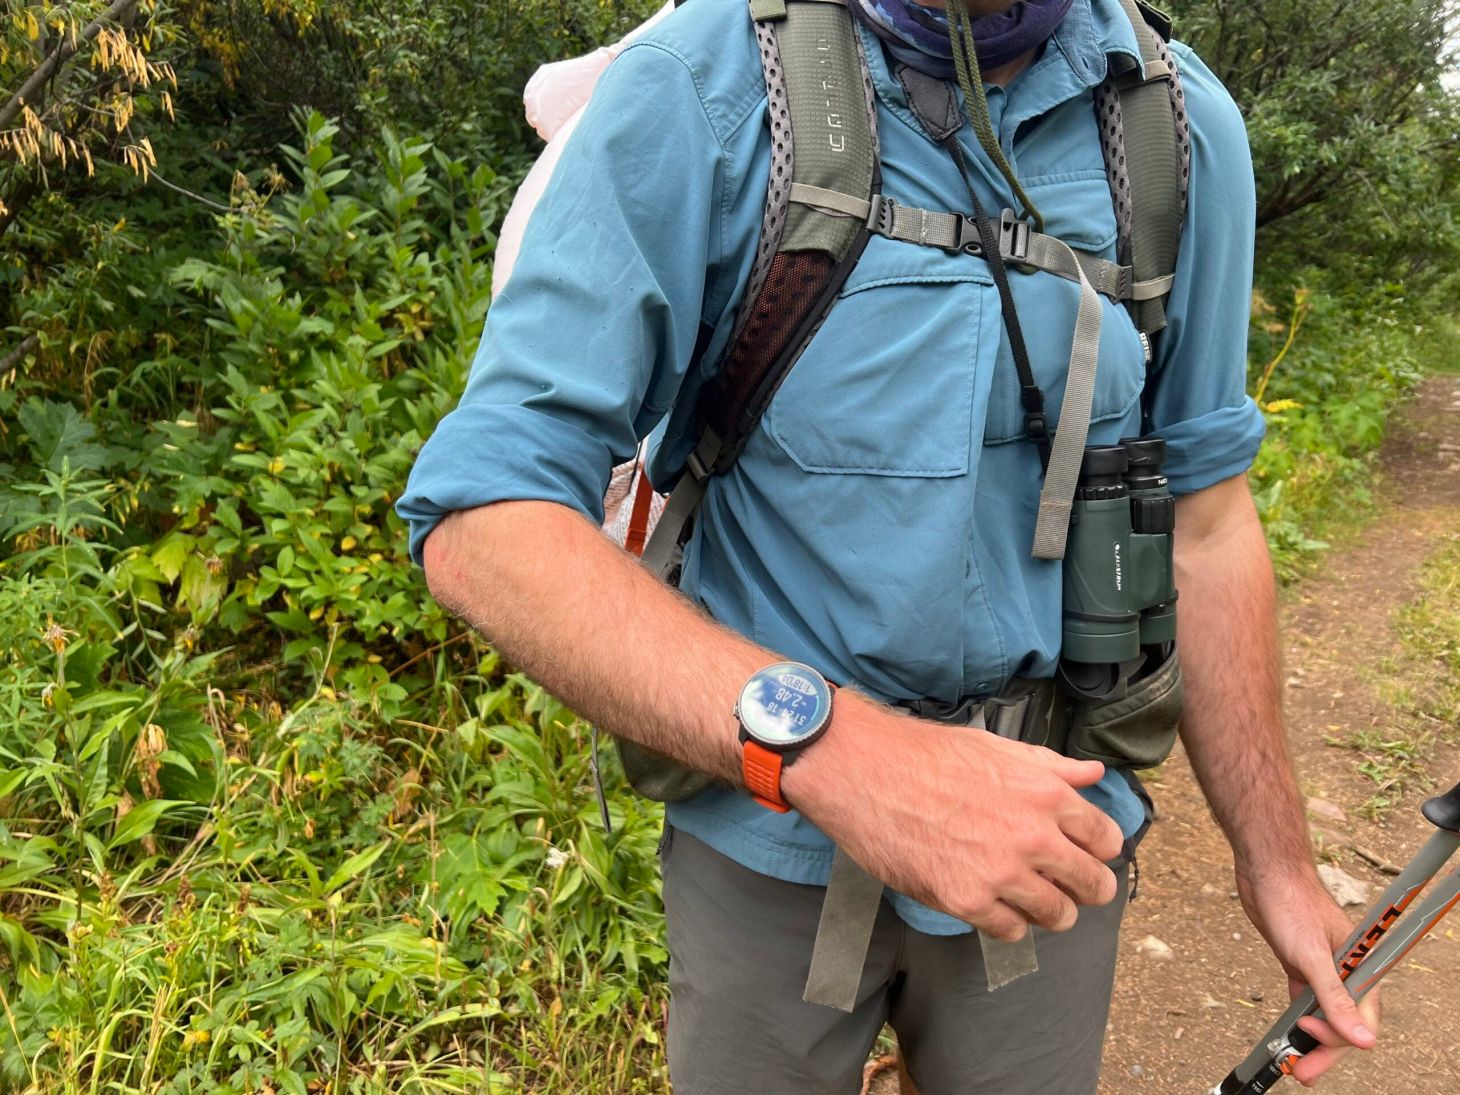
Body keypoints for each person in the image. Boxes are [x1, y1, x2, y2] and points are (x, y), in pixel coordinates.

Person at [398, 1, 1381, 1091]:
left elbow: (1204, 518)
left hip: (1054, 842)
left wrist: (1278, 864)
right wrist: (845, 758)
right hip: (762, 839)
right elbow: (484, 518)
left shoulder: (1173, 127)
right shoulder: (707, 83)